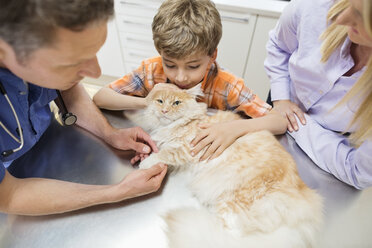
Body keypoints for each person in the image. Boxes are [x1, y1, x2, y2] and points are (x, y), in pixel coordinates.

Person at [0, 0, 168, 216]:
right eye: (71, 63)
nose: (96, 72)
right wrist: (116, 192)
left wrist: (110, 133)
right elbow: (10, 196)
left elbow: (66, 86)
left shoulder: (36, 52)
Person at [93, 0, 287, 161]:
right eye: (170, 64)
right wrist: (147, 101)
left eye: (193, 66)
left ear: (212, 56)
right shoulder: (152, 70)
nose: (180, 77)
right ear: (160, 53)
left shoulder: (227, 85)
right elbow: (101, 97)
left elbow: (278, 121)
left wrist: (233, 128)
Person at [264, 0, 372, 189]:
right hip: (283, 103)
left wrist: (295, 125)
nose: (341, 18)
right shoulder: (315, 5)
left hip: (331, 153)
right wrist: (281, 100)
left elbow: (360, 172)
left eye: (360, 15)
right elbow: (279, 46)